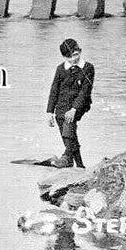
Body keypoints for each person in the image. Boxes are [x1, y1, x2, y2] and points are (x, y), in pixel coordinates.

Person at [45, 38, 95, 169]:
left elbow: (85, 92)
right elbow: (54, 90)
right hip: (62, 104)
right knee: (66, 130)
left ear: (79, 51)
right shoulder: (61, 69)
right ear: (64, 57)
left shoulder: (88, 68)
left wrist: (74, 109)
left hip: (80, 104)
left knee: (68, 123)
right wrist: (50, 112)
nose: (73, 59)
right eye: (69, 57)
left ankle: (66, 156)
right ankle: (79, 164)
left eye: (75, 55)